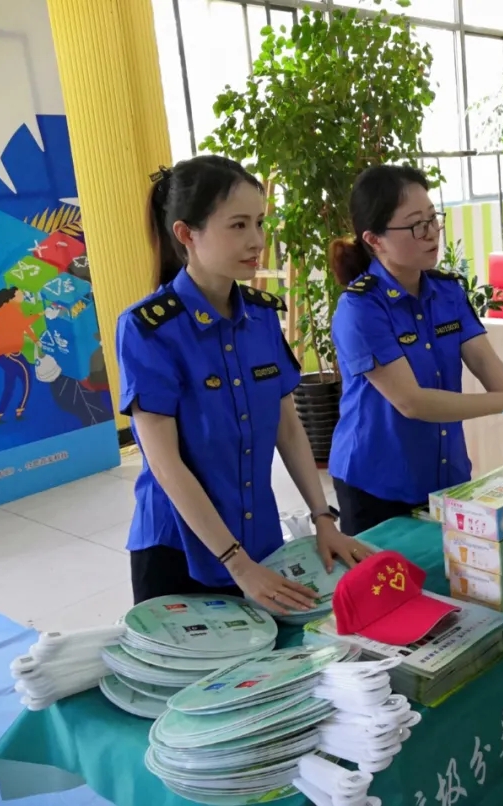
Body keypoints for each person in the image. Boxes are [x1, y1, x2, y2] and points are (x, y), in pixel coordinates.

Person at [117, 155, 373, 614]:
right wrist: (236, 563)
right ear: (186, 234)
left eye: (259, 222)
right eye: (237, 225)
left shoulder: (260, 316)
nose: (257, 240)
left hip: (259, 542)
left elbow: (288, 428)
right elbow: (165, 464)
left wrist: (323, 519)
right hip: (178, 551)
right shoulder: (148, 329)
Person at [328, 165, 503, 535]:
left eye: (433, 218)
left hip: (446, 475)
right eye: (415, 225)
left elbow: (484, 360)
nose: (431, 233)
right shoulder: (361, 308)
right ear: (374, 239)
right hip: (376, 486)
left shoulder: (447, 291)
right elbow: (412, 402)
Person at [0, 288, 44, 422]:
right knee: (27, 378)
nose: (23, 295)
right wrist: (41, 313)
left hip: (4, 353)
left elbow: (22, 326)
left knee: (10, 382)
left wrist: (35, 340)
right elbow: (24, 323)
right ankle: (20, 409)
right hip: (9, 353)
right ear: (13, 297)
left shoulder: (11, 308)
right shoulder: (8, 309)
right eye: (20, 293)